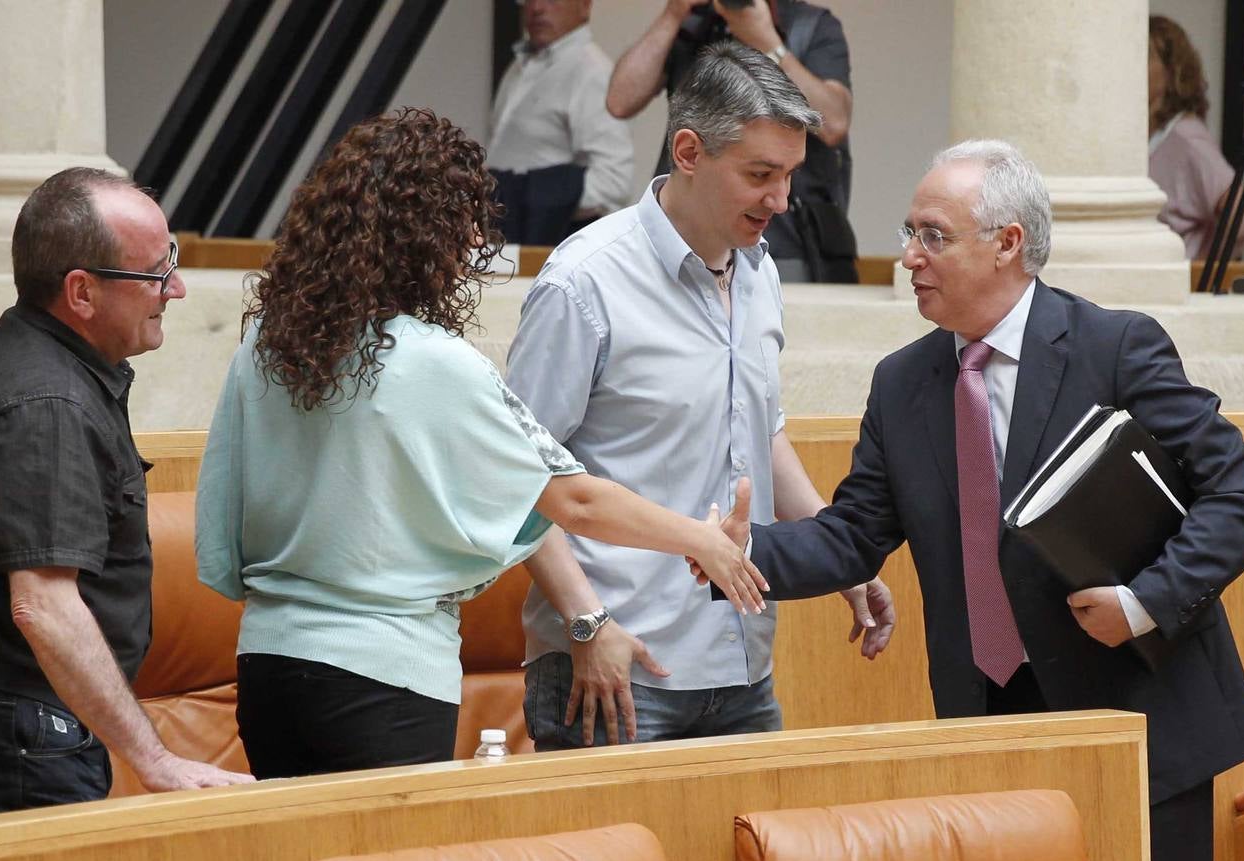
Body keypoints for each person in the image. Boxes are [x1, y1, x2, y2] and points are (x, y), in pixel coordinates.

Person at [733, 140, 1244, 861]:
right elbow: (854, 534)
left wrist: (1146, 603)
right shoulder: (902, 383)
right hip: (989, 720)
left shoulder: (1114, 348)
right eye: (908, 233)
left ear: (1007, 244)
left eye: (932, 235)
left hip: (1137, 715)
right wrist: (737, 552)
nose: (908, 257)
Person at [193, 108, 767, 780]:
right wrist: (699, 539)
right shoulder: (433, 361)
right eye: (461, 219)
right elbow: (574, 501)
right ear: (420, 233)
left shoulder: (264, 346)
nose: (472, 240)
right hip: (385, 680)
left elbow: (221, 536)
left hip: (267, 669)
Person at [508, 44, 892, 753]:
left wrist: (839, 560)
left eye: (789, 175)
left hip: (743, 668)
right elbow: (517, 479)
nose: (781, 200)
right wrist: (587, 624)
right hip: (616, 669)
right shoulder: (583, 284)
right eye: (760, 175)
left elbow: (762, 431)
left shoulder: (760, 269)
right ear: (688, 151)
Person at [0, 167, 252, 822]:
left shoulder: (56, 373)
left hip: (10, 722)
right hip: (5, 729)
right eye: (154, 273)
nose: (176, 288)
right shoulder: (44, 402)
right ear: (80, 292)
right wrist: (157, 761)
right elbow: (44, 607)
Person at [608, 0, 856, 282]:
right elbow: (619, 102)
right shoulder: (693, 22)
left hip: (787, 243)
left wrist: (768, 44)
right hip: (681, 237)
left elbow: (834, 122)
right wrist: (673, 13)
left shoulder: (809, 24)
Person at [488, 0, 634, 244]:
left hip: (549, 248)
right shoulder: (518, 67)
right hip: (505, 240)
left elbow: (613, 182)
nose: (537, 8)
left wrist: (532, 200)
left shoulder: (591, 72)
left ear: (585, 6)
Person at [1148, 14, 1244, 261]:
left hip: (1178, 286)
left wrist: (1203, 270)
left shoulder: (1186, 137)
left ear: (1171, 70)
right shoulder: (1150, 136)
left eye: (1146, 57)